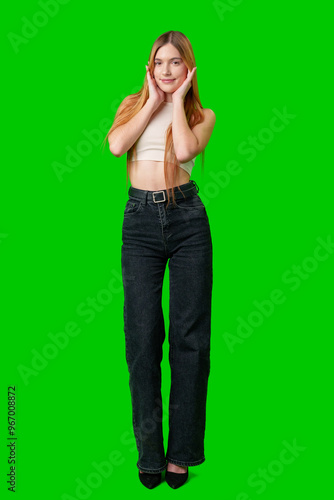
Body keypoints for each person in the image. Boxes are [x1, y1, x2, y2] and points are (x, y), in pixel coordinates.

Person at [102, 30, 216, 489]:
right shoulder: (132, 104)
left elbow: (186, 150)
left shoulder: (200, 114)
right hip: (140, 224)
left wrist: (177, 101)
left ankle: (181, 454)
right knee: (143, 338)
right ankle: (150, 454)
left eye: (175, 63)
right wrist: (150, 101)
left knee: (189, 339)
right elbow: (114, 146)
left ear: (188, 67)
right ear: (149, 66)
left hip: (188, 219)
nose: (167, 71)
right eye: (159, 62)